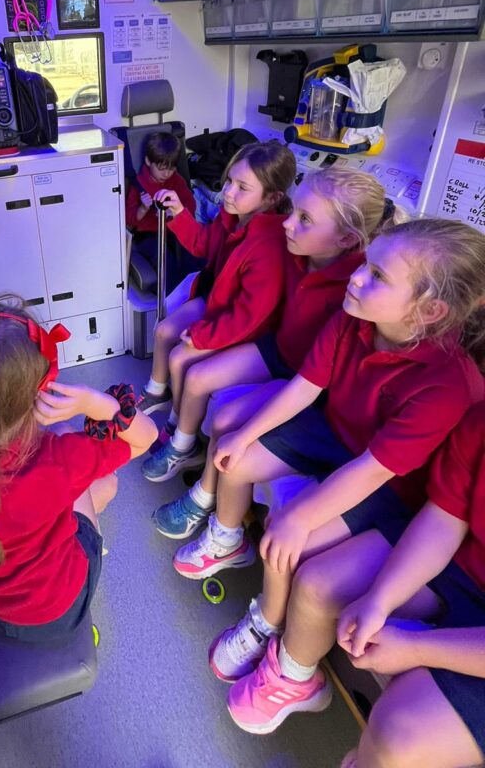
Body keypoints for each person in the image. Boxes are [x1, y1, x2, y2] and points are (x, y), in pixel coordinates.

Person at [175, 218, 485, 689]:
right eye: (366, 265)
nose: (357, 277)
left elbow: (371, 471)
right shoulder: (355, 315)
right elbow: (305, 387)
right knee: (234, 457)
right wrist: (245, 434)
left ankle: (268, 622)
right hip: (333, 431)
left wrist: (300, 518)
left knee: (286, 532)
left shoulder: (448, 385)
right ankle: (228, 539)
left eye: (378, 276)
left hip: (388, 485)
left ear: (428, 311)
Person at [223, 400, 485, 756]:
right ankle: (295, 679)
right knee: (317, 584)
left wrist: (418, 647)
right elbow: (446, 517)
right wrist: (381, 600)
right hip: (466, 567)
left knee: (398, 736)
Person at [0, 298, 157, 640]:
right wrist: (97, 403)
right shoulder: (59, 458)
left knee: (76, 483)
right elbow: (146, 437)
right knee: (106, 485)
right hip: (65, 603)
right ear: (37, 396)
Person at [152, 168, 389, 539]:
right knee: (197, 375)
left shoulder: (354, 291)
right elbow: (241, 268)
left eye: (305, 219)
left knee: (228, 419)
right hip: (277, 349)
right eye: (293, 211)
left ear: (346, 238)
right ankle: (182, 447)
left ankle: (203, 499)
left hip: (306, 379)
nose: (287, 225)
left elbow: (320, 378)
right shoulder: (293, 247)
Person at [137, 140, 296, 482]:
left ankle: (182, 440)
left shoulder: (267, 247)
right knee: (165, 330)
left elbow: (248, 318)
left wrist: (202, 335)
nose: (227, 192)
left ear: (271, 199)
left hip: (245, 326)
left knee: (182, 359)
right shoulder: (234, 221)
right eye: (228, 182)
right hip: (220, 301)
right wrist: (180, 213)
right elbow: (204, 244)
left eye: (242, 188)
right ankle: (164, 405)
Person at [125, 131, 198, 293]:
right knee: (166, 263)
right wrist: (143, 209)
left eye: (171, 169)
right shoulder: (139, 185)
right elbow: (129, 220)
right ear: (148, 161)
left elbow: (190, 205)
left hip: (172, 231)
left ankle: (193, 295)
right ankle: (171, 302)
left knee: (192, 255)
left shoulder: (176, 180)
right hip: (148, 236)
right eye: (161, 169)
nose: (166, 174)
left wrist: (174, 213)